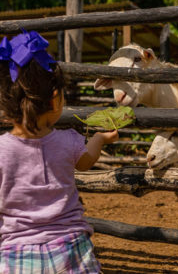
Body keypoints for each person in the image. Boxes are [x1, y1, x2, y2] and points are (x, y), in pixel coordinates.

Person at [0, 30, 118, 273]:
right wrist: (100, 138)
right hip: (70, 249)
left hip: (15, 253)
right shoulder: (69, 140)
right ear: (55, 99)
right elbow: (85, 162)